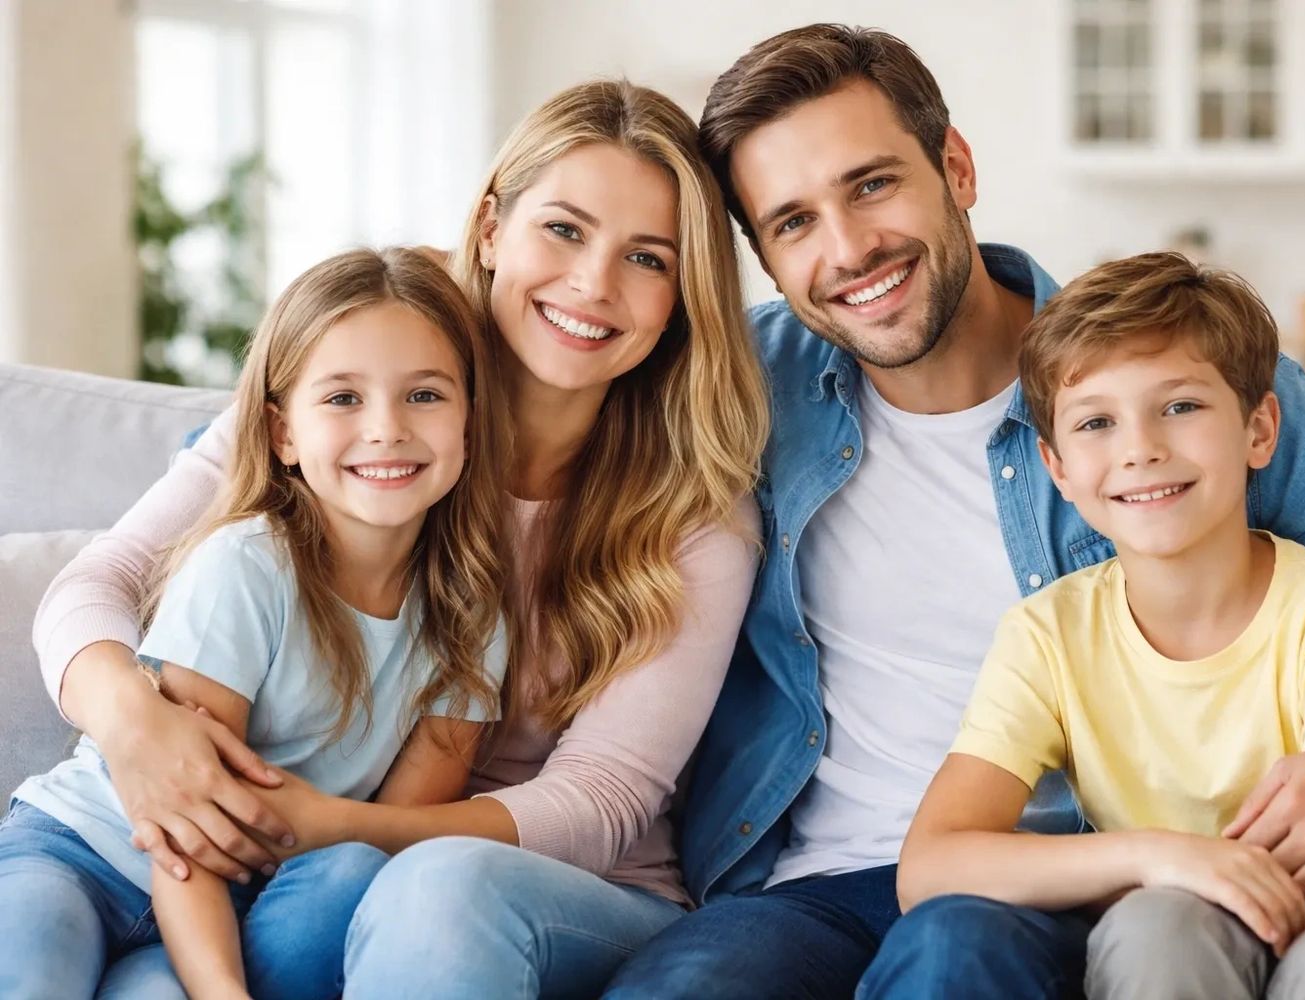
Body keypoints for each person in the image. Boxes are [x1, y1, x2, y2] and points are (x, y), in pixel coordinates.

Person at [605, 23, 1305, 999]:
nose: (849, 248)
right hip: (809, 887)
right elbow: (523, 420)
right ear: (765, 260)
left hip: (1077, 886)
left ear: (955, 165)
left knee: (953, 956)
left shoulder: (1165, 391)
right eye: (793, 222)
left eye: (872, 184)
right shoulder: (743, 383)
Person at [30, 80, 769, 998]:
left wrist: (329, 823)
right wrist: (134, 725)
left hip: (568, 891)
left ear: (684, 295)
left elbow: (602, 803)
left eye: (648, 259)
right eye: (565, 230)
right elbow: (96, 581)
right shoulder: (369, 370)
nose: (593, 286)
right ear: (492, 228)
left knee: (433, 886)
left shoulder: (695, 515)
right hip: (306, 875)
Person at [898, 250, 1305, 1000]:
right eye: (1096, 422)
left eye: (1180, 406)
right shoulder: (1047, 636)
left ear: (1259, 431)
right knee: (1155, 925)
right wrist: (1156, 857)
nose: (1141, 448)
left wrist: (1185, 877)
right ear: (1057, 468)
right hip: (1182, 921)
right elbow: (930, 865)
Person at [1, 246, 512, 999]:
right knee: (33, 973)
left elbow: (389, 837)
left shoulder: (473, 613)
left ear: (471, 417)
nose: (386, 429)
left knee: (353, 871)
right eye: (343, 398)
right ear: (282, 434)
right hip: (85, 851)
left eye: (425, 396)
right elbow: (183, 815)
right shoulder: (247, 564)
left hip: (241, 901)